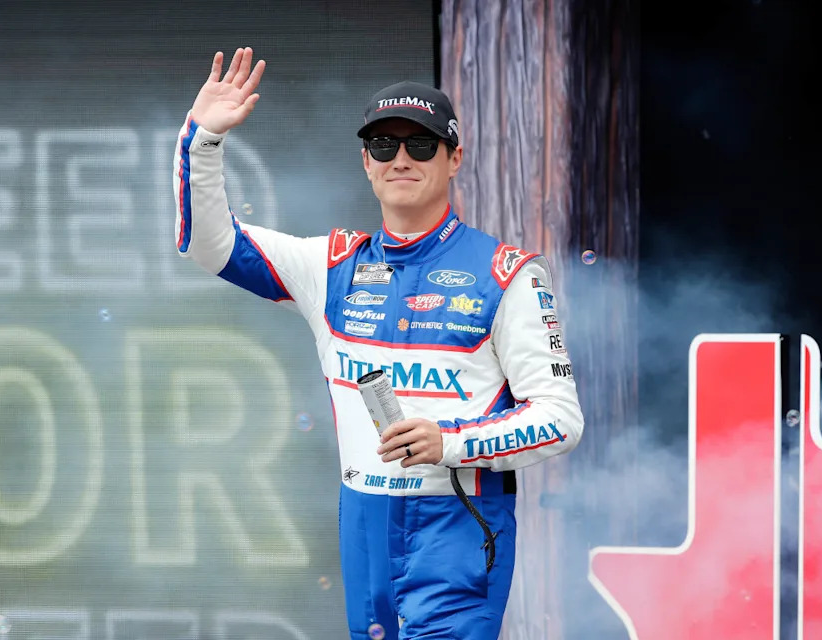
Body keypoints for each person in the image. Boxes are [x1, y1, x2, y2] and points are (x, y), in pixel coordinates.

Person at [174, 47, 585, 640]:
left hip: (458, 524)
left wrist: (451, 442)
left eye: (420, 145)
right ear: (366, 162)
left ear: (453, 159)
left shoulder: (508, 274)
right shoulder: (329, 264)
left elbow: (560, 420)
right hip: (364, 520)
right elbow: (207, 244)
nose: (401, 159)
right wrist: (203, 141)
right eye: (384, 146)